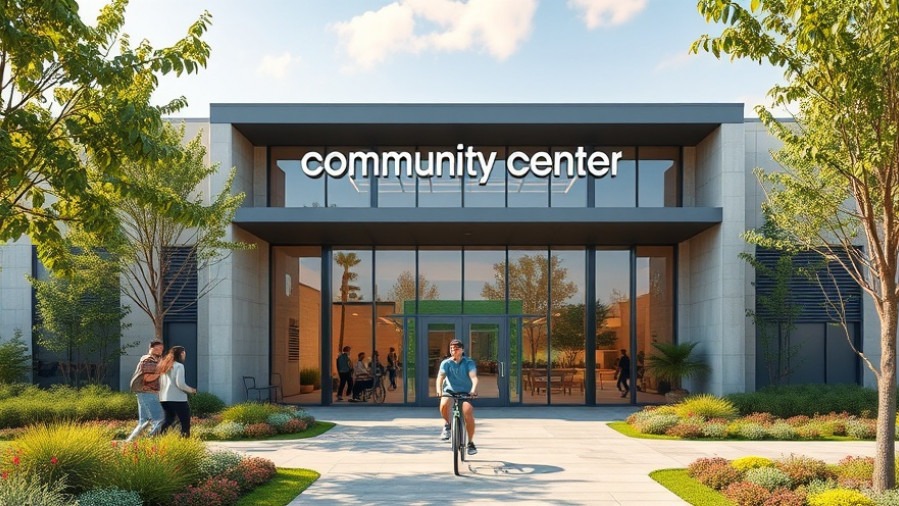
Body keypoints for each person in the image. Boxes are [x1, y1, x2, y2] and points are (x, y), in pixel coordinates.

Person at [436, 339, 479, 455]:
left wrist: (473, 390)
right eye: (451, 349)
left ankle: (470, 443)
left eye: (456, 349)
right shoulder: (446, 363)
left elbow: (474, 377)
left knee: (468, 411)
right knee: (444, 404)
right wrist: (439, 390)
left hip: (465, 392)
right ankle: (447, 425)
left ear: (462, 350)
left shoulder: (468, 362)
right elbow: (440, 377)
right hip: (449, 391)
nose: (453, 351)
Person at [126, 340, 165, 441]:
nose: (159, 351)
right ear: (150, 348)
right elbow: (147, 378)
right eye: (157, 348)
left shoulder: (154, 360)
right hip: (148, 393)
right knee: (160, 420)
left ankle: (130, 443)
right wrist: (161, 372)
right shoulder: (149, 360)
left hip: (146, 393)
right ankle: (150, 442)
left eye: (161, 349)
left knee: (144, 422)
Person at [157, 345, 197, 437]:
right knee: (185, 421)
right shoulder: (179, 366)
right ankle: (185, 439)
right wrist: (192, 390)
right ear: (181, 354)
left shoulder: (164, 366)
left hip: (164, 398)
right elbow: (180, 384)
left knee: (168, 419)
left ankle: (159, 437)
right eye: (184, 353)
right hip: (177, 398)